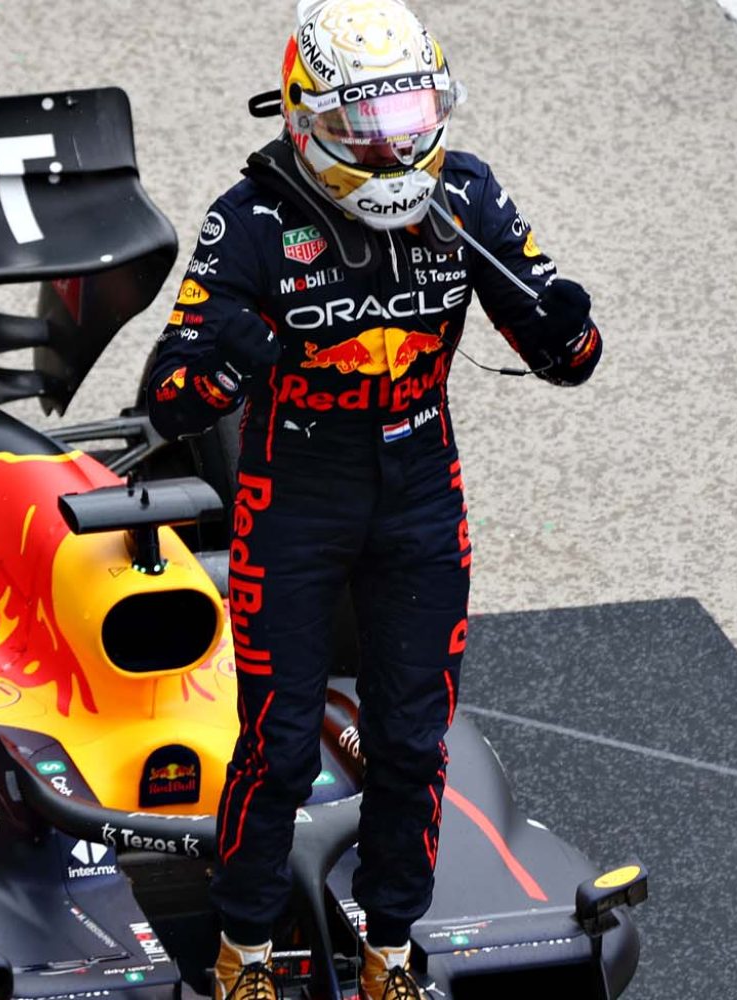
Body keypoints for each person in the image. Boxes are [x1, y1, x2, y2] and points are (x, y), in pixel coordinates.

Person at [143, 1, 603, 998]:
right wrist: (229, 364)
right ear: (313, 123)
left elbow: (570, 359)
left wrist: (568, 329)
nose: (396, 145)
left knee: (413, 736)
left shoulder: (465, 193)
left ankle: (390, 948)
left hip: (420, 498)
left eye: (410, 114)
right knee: (275, 738)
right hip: (293, 499)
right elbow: (168, 394)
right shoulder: (251, 219)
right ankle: (242, 952)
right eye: (371, 123)